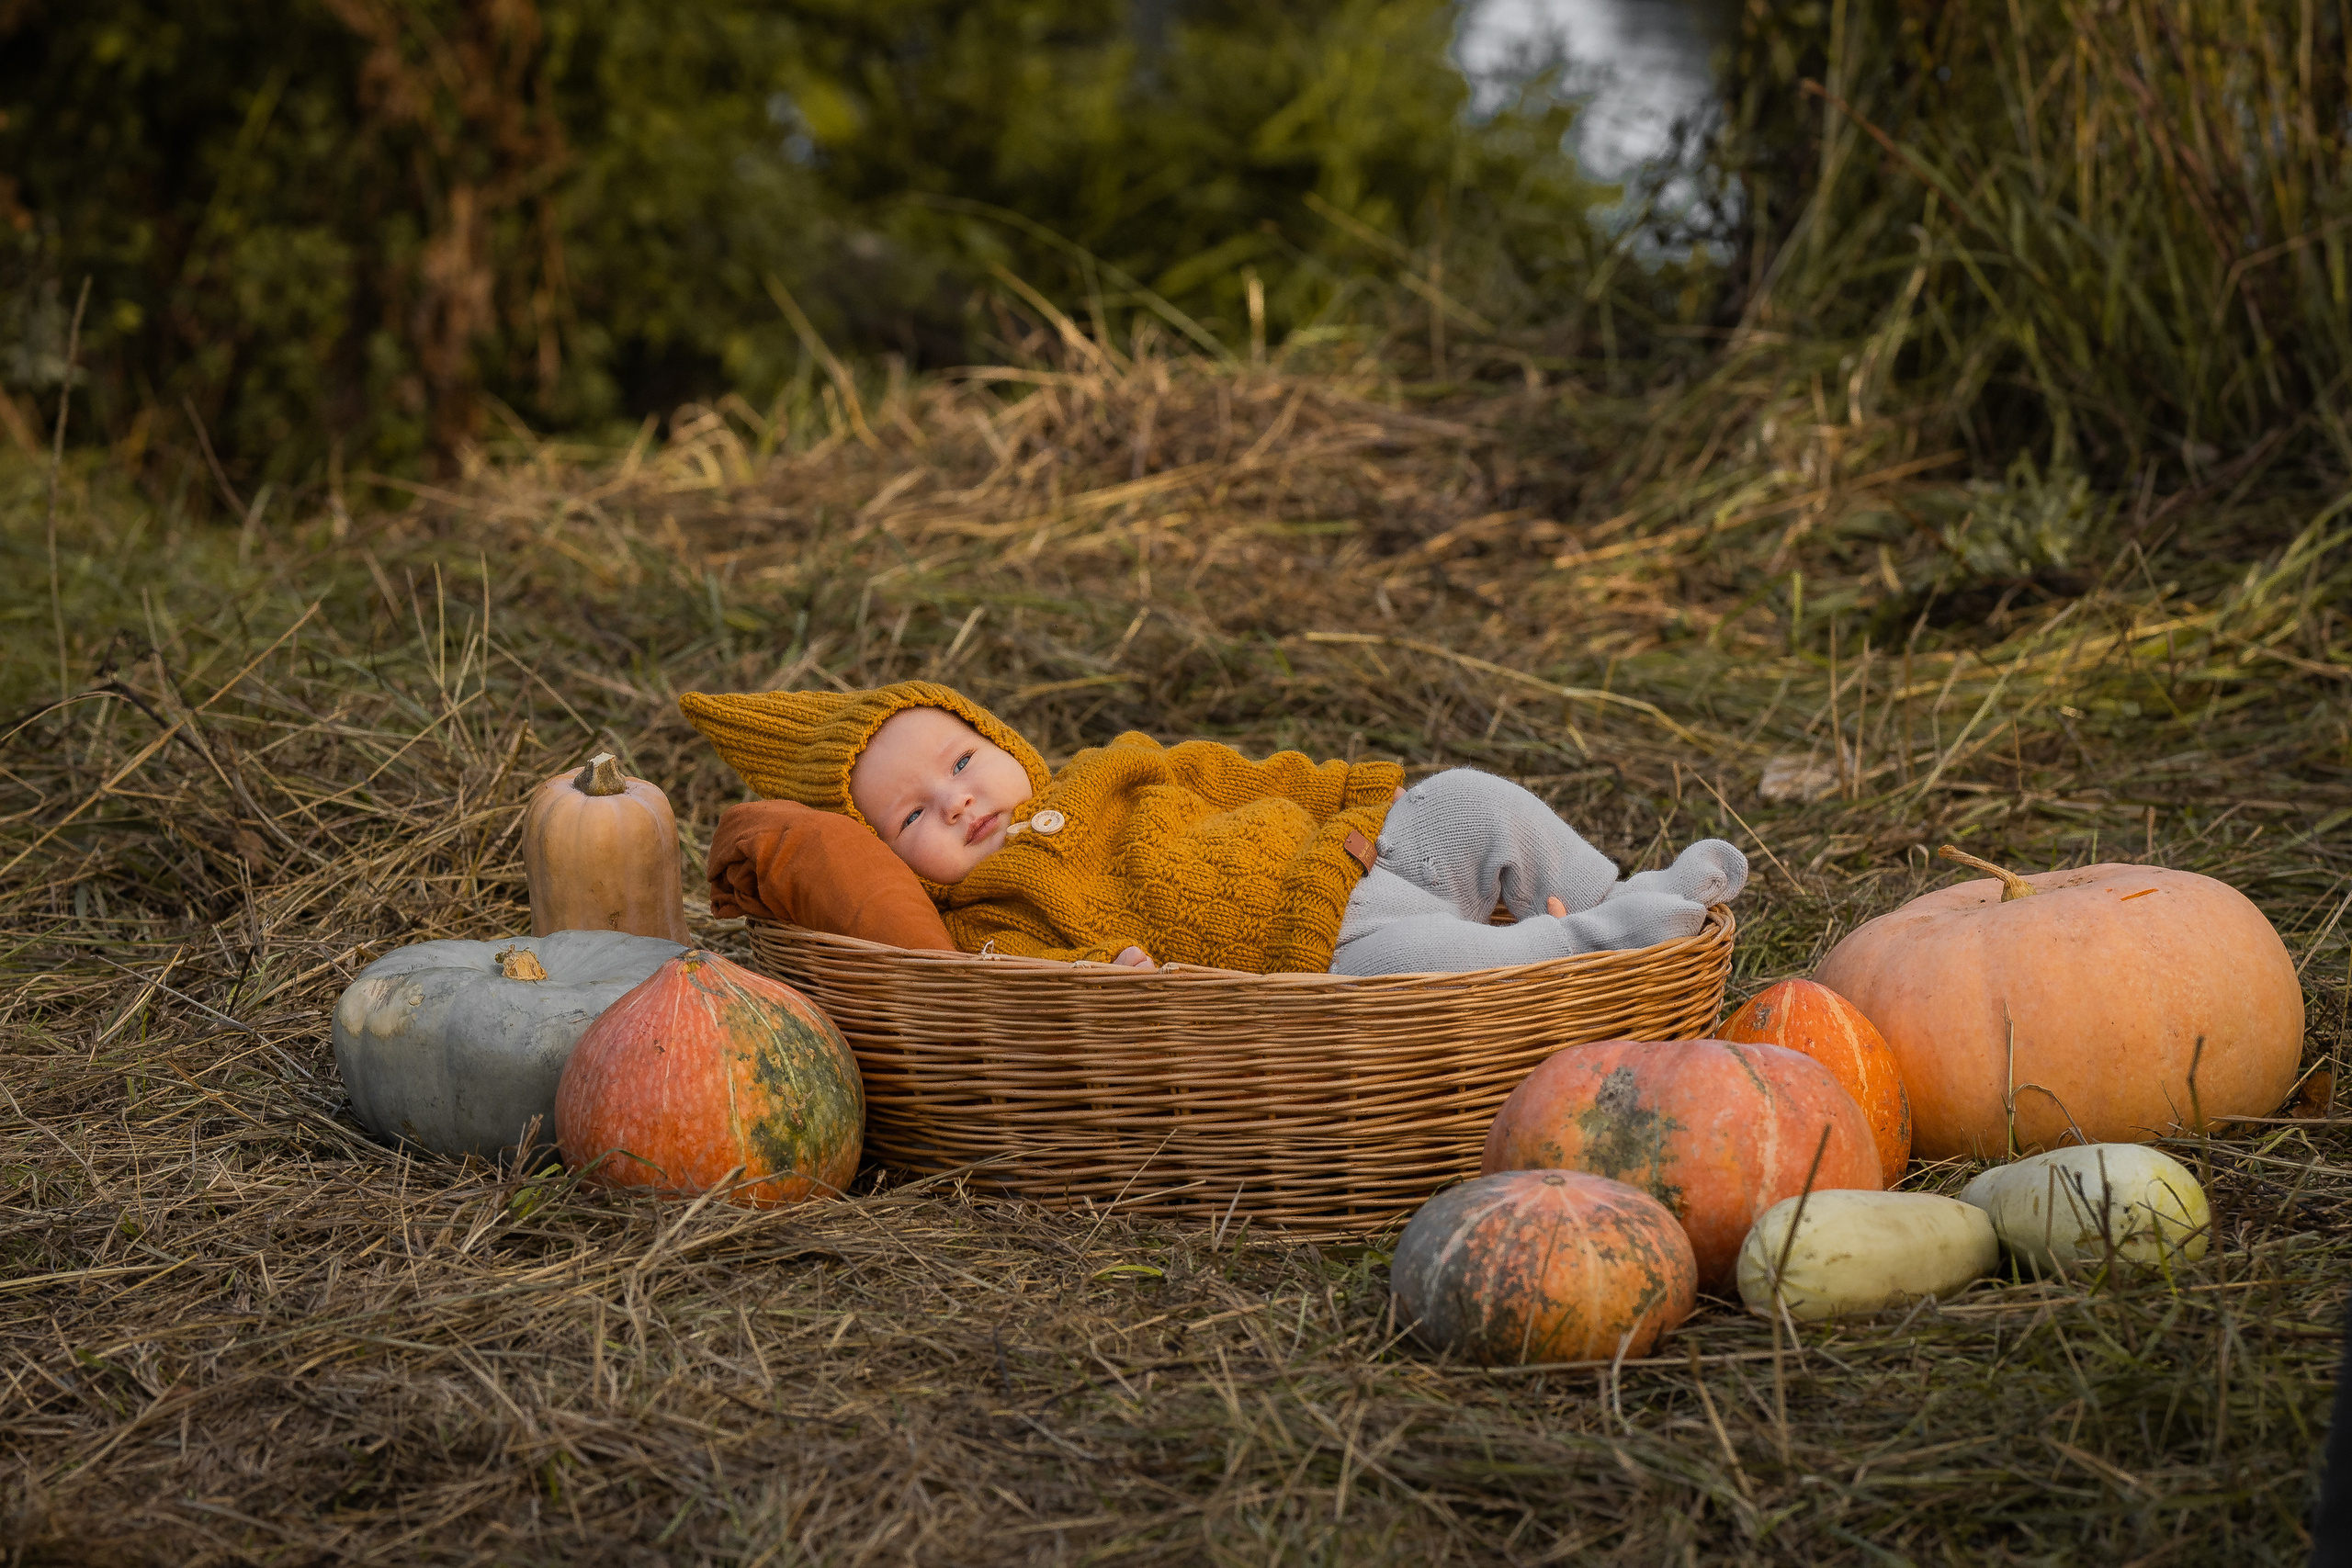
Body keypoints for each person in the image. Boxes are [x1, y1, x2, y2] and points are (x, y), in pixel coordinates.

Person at [679, 680, 1746, 976]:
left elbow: (1240, 775)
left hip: (1351, 855)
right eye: (913, 814)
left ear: (999, 740)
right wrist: (1111, 967)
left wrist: (1351, 800)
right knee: (1433, 962)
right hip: (1311, 946)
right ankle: (1596, 947)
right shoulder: (985, 914)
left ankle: (1610, 892)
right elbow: (1029, 978)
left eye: (960, 761)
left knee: (1473, 799)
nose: (957, 799)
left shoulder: (1109, 769)